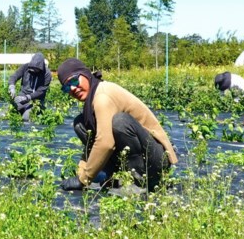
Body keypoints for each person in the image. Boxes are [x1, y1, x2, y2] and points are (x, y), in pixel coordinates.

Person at [56, 58, 177, 192]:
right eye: (67, 87)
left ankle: (138, 181)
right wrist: (81, 173)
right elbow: (91, 144)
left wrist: (83, 180)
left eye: (74, 81)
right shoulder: (93, 96)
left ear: (85, 74)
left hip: (155, 159)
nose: (73, 88)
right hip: (136, 154)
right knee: (81, 123)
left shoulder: (102, 96)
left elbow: (105, 143)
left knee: (120, 122)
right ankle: (114, 177)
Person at [7, 52, 52, 122]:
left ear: (40, 67)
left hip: (37, 101)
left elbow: (41, 91)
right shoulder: (25, 67)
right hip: (21, 98)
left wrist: (27, 97)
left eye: (35, 68)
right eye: (31, 68)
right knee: (5, 114)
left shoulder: (47, 74)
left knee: (26, 118)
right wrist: (12, 86)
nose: (33, 70)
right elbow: (14, 76)